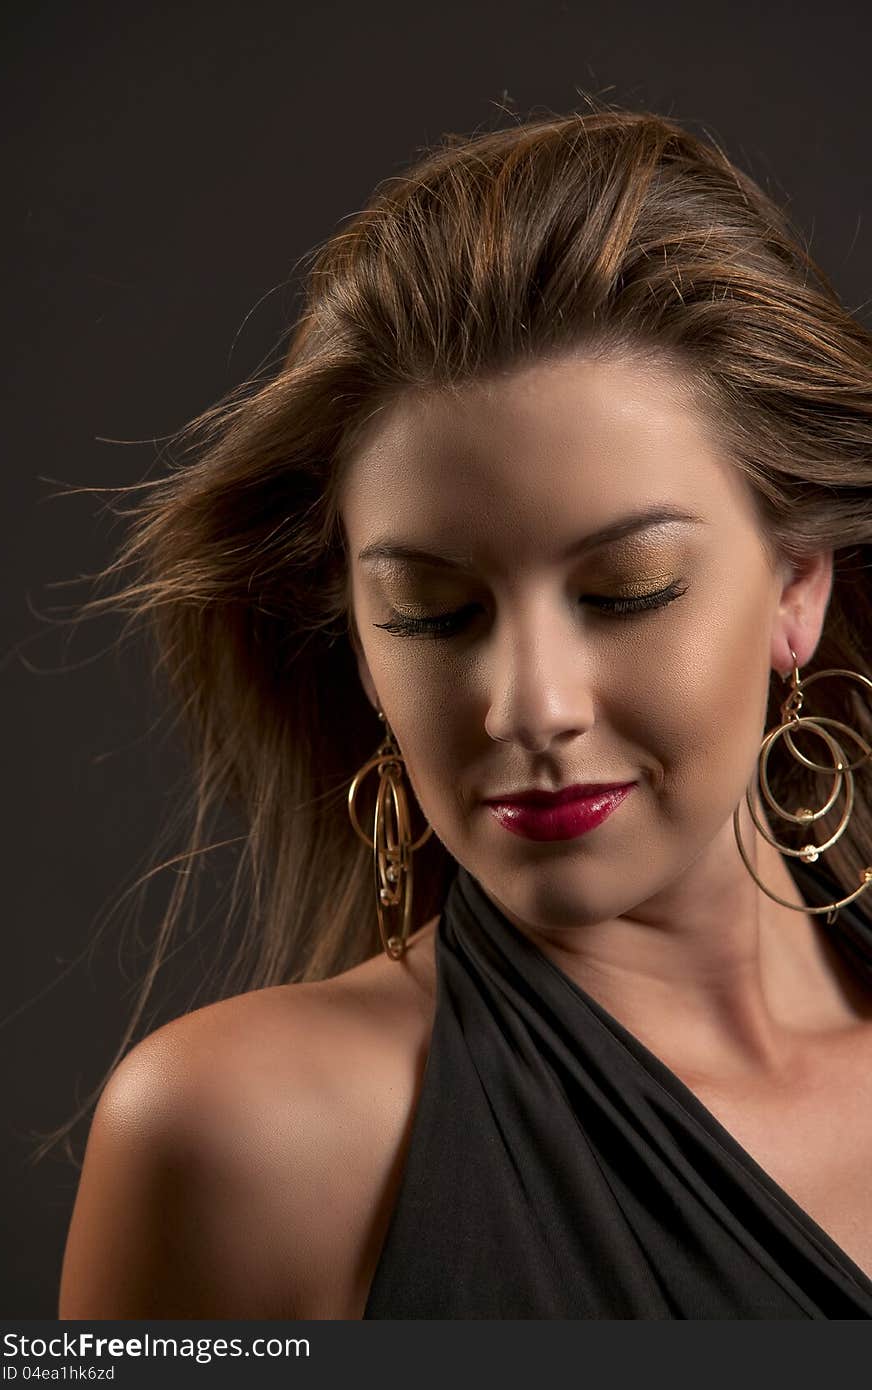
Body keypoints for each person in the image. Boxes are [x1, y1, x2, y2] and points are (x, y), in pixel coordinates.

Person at [56, 103, 872, 1319]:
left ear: (794, 584)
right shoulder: (249, 1138)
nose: (528, 707)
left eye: (623, 592)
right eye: (431, 612)